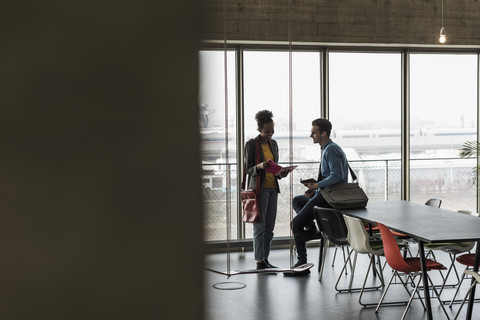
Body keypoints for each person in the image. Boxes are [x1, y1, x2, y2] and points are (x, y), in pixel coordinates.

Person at [291, 118, 349, 272]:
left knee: (295, 224)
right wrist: (315, 189)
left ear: (323, 133)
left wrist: (317, 186)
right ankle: (312, 230)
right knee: (297, 200)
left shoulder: (331, 150)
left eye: (314, 132)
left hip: (329, 198)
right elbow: (330, 176)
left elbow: (337, 176)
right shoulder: (326, 148)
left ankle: (302, 263)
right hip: (323, 194)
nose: (311, 135)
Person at [245, 110, 289, 270]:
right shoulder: (251, 144)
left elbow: (274, 166)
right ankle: (259, 260)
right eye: (266, 131)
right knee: (260, 226)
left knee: (269, 227)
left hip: (273, 188)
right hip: (259, 189)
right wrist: (260, 166)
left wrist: (281, 173)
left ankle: (265, 258)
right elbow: (249, 169)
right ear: (259, 130)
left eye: (272, 131)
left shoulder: (273, 144)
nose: (270, 134)